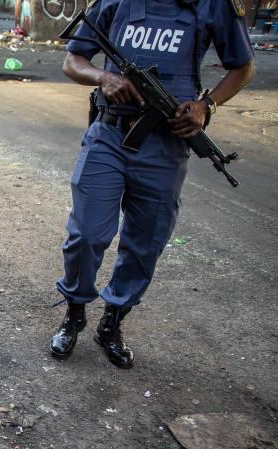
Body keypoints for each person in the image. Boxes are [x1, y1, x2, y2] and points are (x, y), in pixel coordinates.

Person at [49, 0, 254, 368]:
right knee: (88, 233)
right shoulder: (116, 2)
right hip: (109, 135)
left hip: (165, 145)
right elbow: (72, 60)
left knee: (146, 242)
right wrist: (104, 77)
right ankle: (74, 311)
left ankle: (112, 322)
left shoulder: (214, 5)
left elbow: (244, 67)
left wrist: (208, 105)